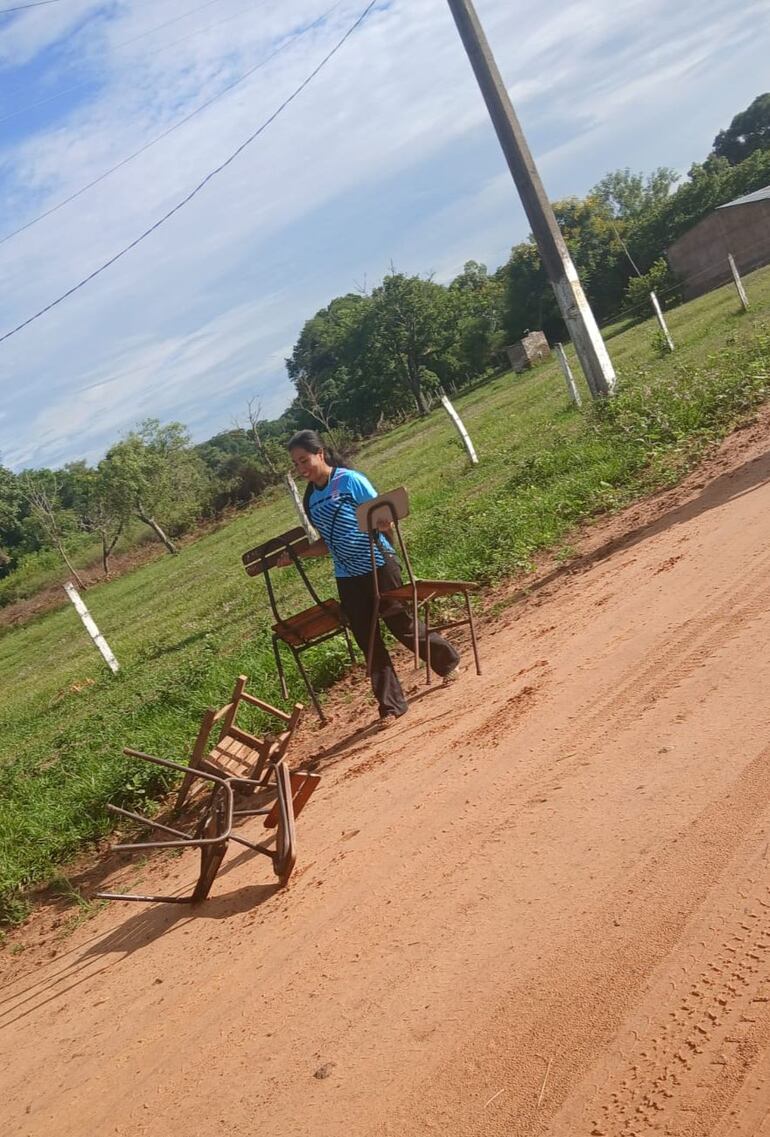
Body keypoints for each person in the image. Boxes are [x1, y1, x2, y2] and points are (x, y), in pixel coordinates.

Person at [283, 429, 462, 729]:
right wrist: (297, 555)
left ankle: (447, 662)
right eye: (296, 464)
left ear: (320, 454)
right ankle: (391, 705)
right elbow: (327, 541)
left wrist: (387, 538)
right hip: (347, 575)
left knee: (400, 624)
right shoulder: (311, 498)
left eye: (304, 461)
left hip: (379, 564)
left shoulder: (350, 481)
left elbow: (384, 517)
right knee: (367, 639)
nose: (301, 469)